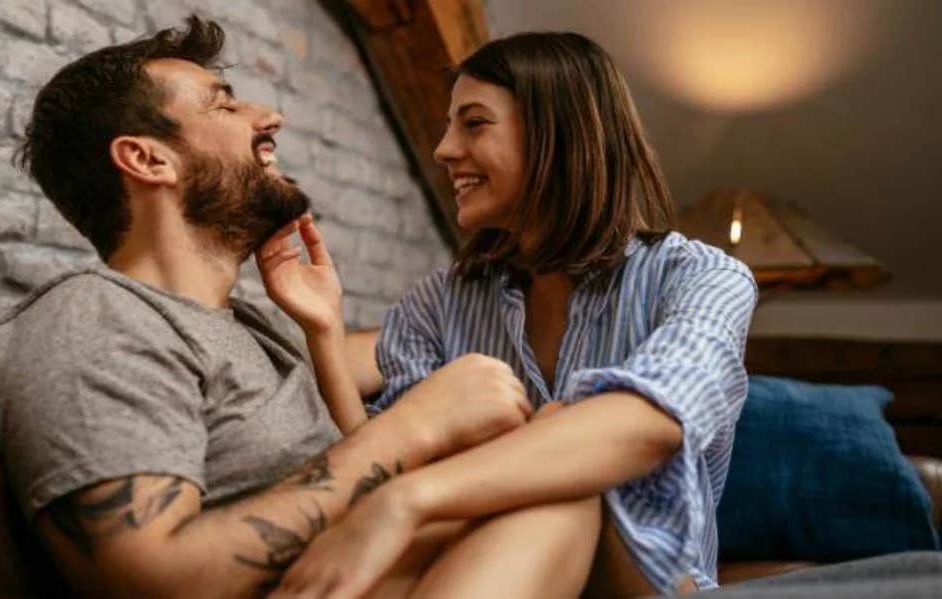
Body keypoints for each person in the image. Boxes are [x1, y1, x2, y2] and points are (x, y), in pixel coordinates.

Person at [0, 17, 534, 598]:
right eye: (224, 107)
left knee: (552, 471)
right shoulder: (91, 321)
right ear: (148, 160)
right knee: (546, 504)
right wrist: (411, 427)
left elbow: (373, 437)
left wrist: (323, 330)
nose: (269, 117)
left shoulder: (257, 326)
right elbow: (149, 578)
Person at [275, 32, 758, 598]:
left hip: (640, 581)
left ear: (559, 133)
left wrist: (407, 500)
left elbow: (647, 426)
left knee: (573, 463)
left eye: (474, 123)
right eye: (450, 125)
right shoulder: (442, 301)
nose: (444, 149)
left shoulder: (705, 280)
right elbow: (383, 457)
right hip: (484, 561)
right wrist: (325, 331)